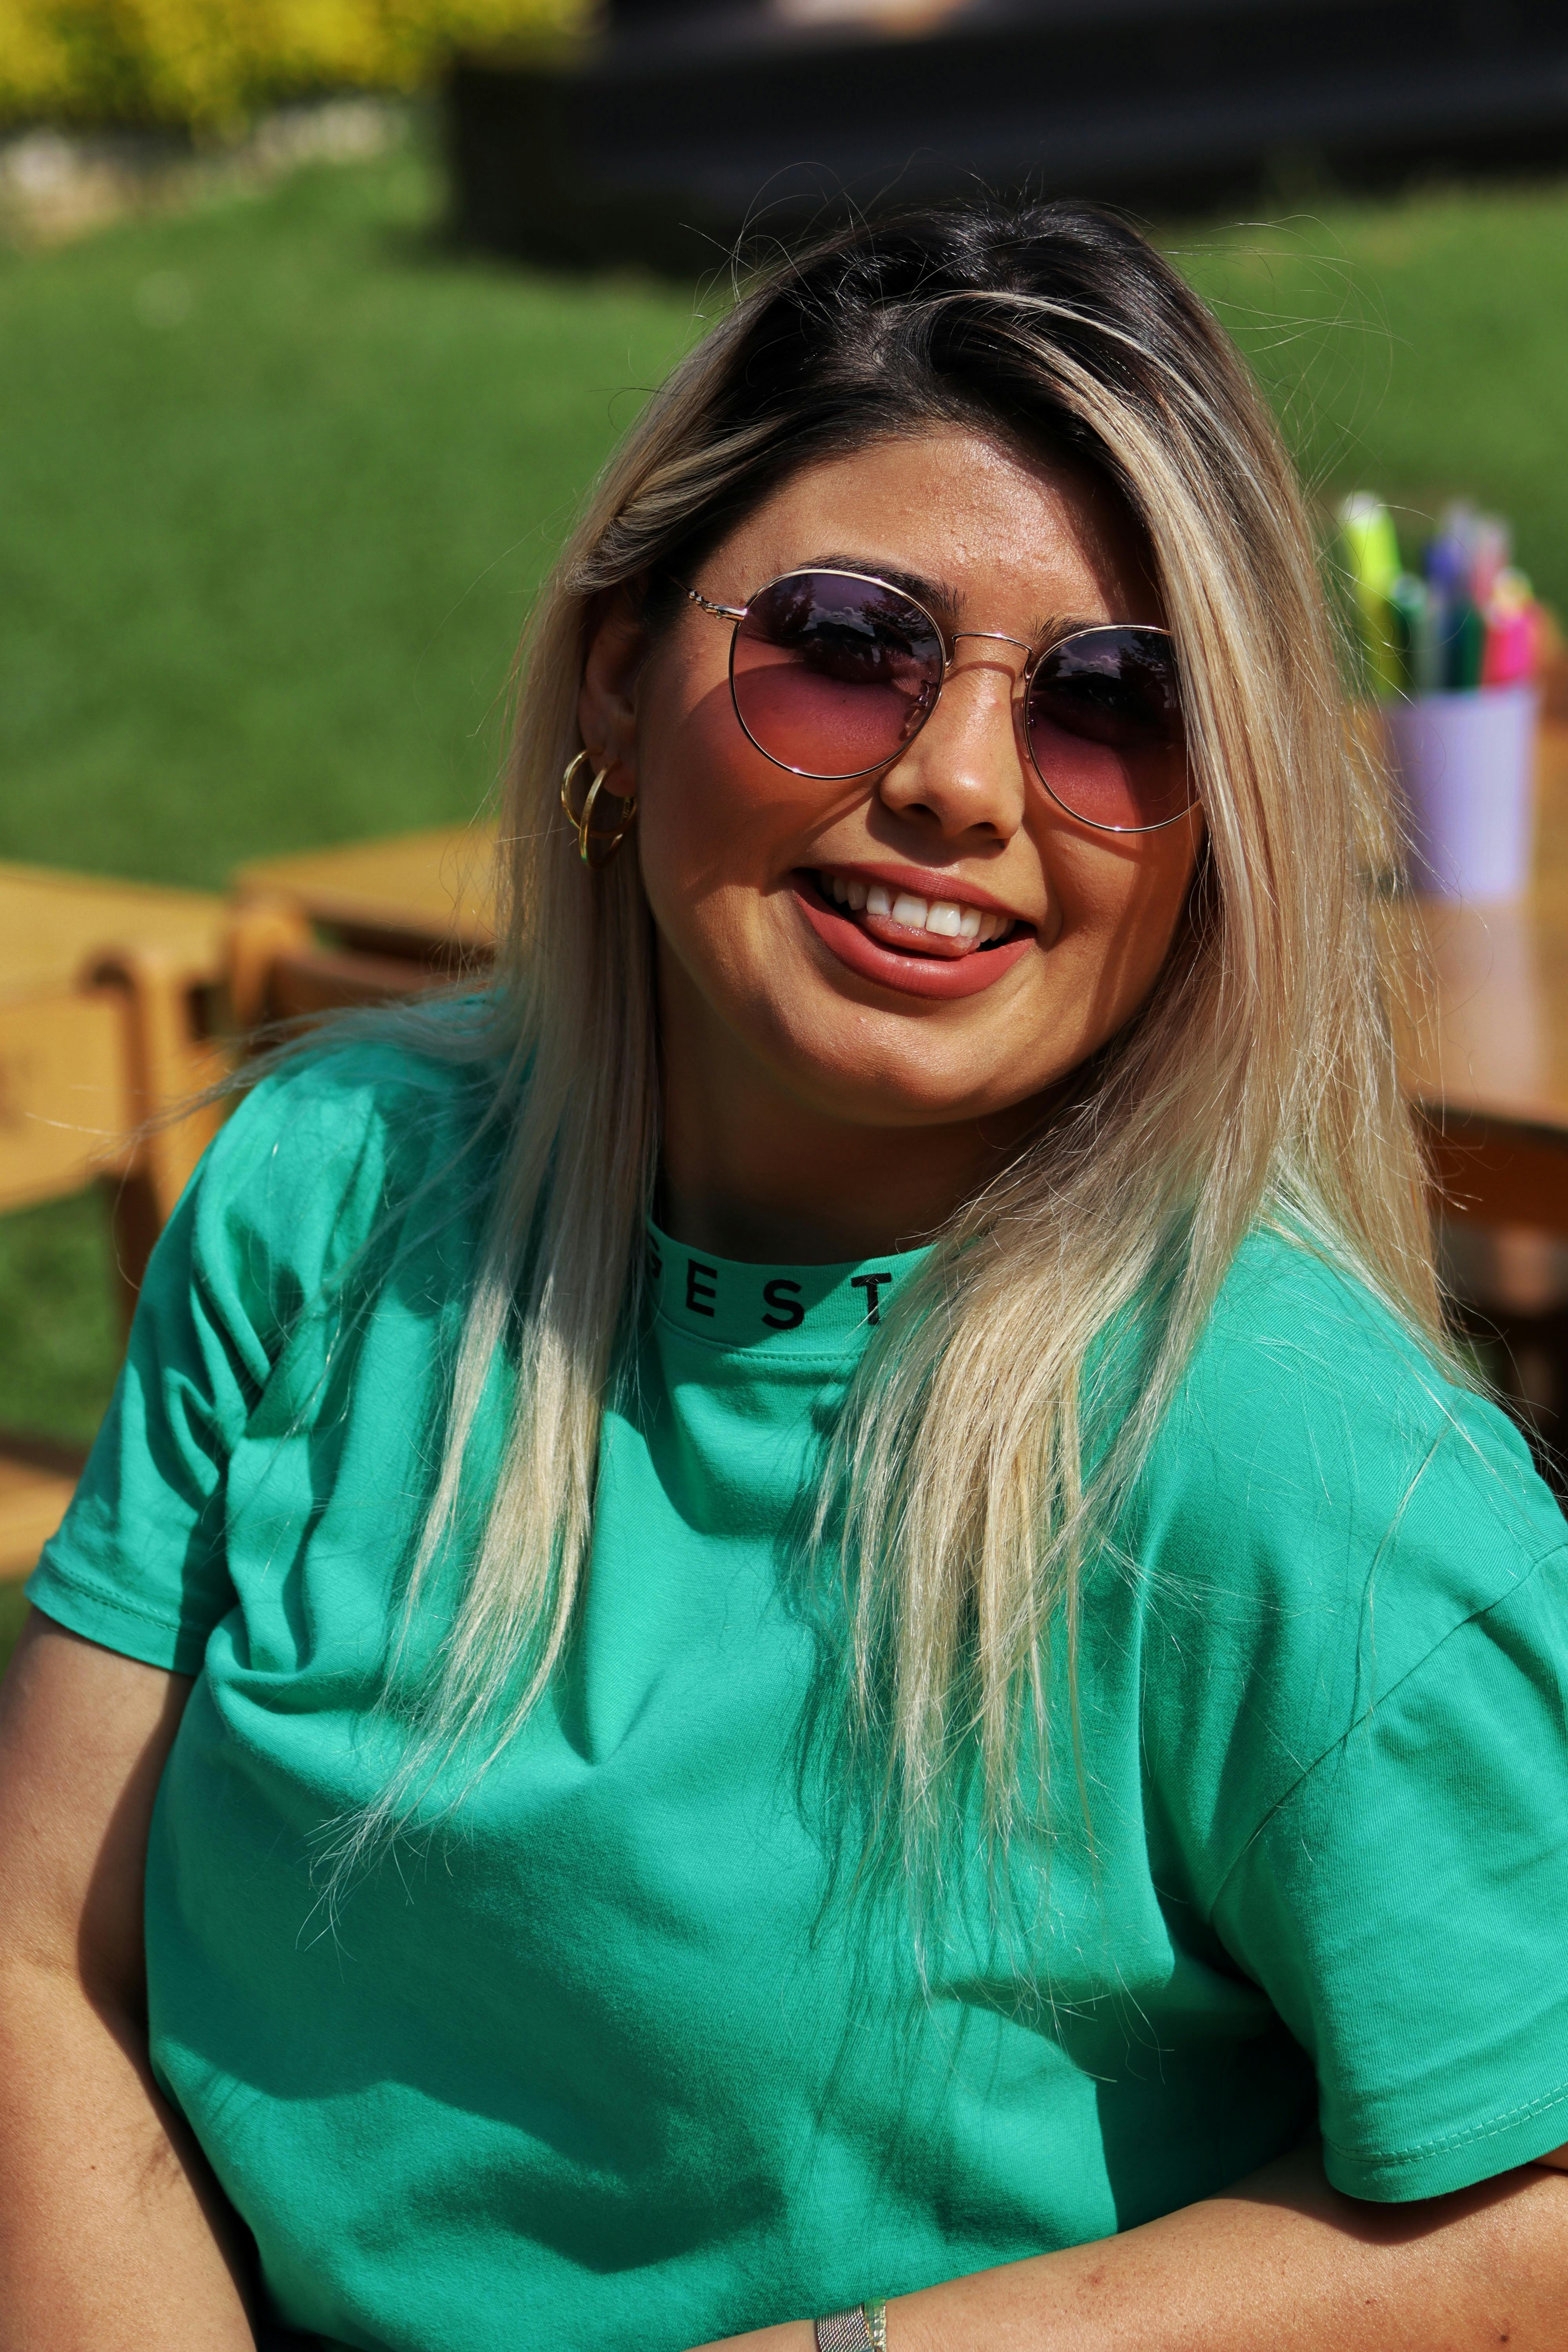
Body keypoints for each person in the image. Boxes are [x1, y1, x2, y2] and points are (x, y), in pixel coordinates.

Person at [2, 200, 1566, 2352]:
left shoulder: (1305, 1477)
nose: (955, 783)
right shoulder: (328, 1193)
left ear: (1226, 835)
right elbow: (34, 1962)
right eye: (847, 642)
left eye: (1116, 709)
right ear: (623, 675)